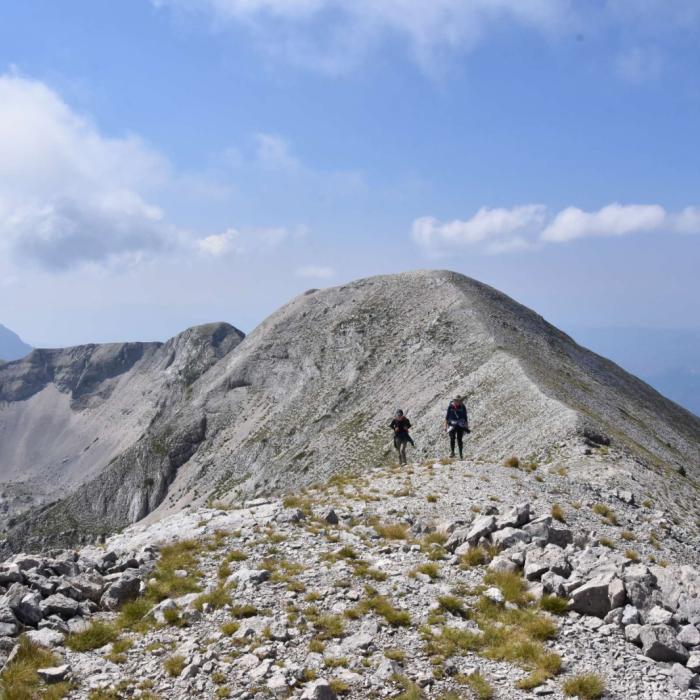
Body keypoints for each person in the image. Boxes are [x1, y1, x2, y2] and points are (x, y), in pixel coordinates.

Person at [445, 395, 470, 459]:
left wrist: (466, 426)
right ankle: (452, 452)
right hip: (452, 424)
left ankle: (461, 455)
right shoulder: (450, 407)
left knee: (459, 439)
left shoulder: (463, 407)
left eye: (459, 400)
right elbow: (447, 417)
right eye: (456, 400)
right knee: (452, 437)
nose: (458, 402)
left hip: (460, 424)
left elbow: (465, 417)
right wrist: (446, 427)